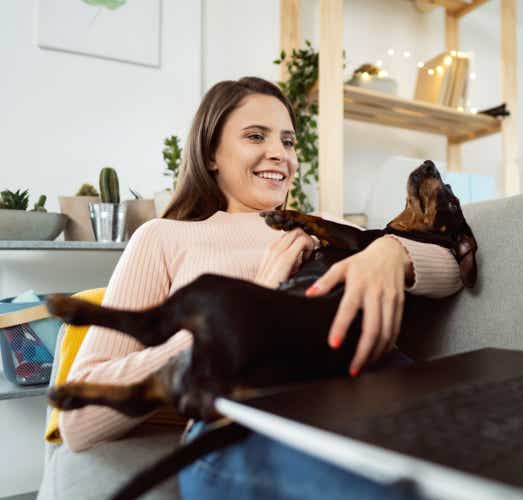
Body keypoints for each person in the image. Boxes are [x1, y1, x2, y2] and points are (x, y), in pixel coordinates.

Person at [59, 76, 463, 498]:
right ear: (211, 153)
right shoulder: (164, 237)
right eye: (256, 136)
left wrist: (391, 254)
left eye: (288, 142)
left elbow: (453, 270)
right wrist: (249, 306)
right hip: (247, 418)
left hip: (366, 386)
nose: (280, 154)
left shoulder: (325, 225)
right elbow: (79, 421)